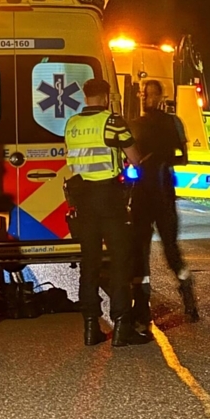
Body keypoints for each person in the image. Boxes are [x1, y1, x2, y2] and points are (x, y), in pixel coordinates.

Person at [64, 78, 149, 347]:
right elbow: (134, 158)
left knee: (89, 264)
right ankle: (122, 326)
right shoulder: (113, 122)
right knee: (120, 261)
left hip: (83, 200)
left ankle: (91, 327)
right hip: (109, 199)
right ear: (105, 96)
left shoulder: (72, 124)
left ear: (85, 96)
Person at [129, 80, 200, 331]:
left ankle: (185, 300)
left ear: (159, 96)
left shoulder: (147, 124)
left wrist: (155, 159)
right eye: (147, 94)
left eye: (152, 94)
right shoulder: (154, 123)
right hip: (156, 193)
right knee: (149, 250)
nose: (149, 98)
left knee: (159, 250)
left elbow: (183, 157)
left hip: (153, 193)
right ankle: (144, 307)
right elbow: (183, 157)